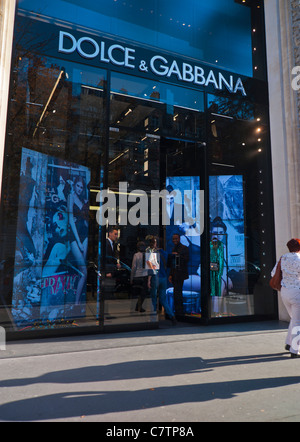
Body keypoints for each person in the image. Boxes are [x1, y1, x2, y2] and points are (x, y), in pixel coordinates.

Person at [271, 238, 300, 358]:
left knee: (294, 318)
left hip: (284, 292)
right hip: (297, 292)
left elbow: (273, 274)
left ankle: (288, 343)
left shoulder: (283, 258)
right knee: (298, 322)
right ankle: (295, 350)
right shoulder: (299, 259)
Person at [67, 175, 89, 306]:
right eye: (78, 186)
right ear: (74, 185)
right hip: (75, 236)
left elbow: (87, 220)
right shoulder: (71, 197)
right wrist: (79, 242)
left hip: (84, 235)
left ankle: (77, 300)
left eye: (82, 187)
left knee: (82, 270)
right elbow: (70, 220)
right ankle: (76, 303)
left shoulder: (85, 200)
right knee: (83, 270)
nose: (80, 189)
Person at [168, 233, 190, 318]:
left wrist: (177, 255)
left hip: (180, 274)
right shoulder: (173, 248)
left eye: (176, 239)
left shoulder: (184, 248)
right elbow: (173, 264)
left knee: (178, 293)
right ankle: (177, 311)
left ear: (179, 239)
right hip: (174, 274)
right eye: (173, 239)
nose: (174, 240)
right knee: (176, 293)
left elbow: (186, 260)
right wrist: (170, 275)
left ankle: (179, 312)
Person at [130, 241, 148, 313]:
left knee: (136, 293)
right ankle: (139, 306)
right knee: (143, 293)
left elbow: (134, 267)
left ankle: (137, 307)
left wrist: (131, 277)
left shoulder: (136, 255)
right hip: (145, 276)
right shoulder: (147, 255)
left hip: (137, 276)